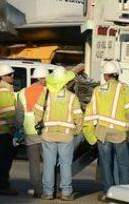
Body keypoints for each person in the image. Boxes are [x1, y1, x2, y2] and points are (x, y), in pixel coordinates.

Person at [83, 60, 129, 202]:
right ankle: (125, 195)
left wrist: (91, 137)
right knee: (123, 165)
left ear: (106, 76)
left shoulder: (97, 91)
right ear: (116, 74)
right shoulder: (124, 89)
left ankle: (108, 193)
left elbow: (89, 116)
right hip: (120, 134)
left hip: (103, 135)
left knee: (106, 165)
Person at [34, 66, 83, 202]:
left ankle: (48, 193)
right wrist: (78, 130)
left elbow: (37, 113)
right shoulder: (72, 97)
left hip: (48, 135)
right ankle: (66, 192)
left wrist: (39, 125)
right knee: (65, 164)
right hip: (66, 136)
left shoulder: (45, 94)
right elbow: (78, 117)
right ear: (65, 82)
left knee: (49, 164)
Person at [15, 64, 49, 198]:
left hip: (29, 132)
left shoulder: (23, 92)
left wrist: (17, 129)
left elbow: (19, 114)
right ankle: (49, 188)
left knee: (34, 163)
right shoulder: (49, 91)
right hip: (45, 131)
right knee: (49, 162)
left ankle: (37, 189)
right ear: (43, 78)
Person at [0, 64, 19, 196]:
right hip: (5, 130)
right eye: (9, 74)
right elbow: (8, 112)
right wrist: (15, 125)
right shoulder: (3, 90)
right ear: (2, 76)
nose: (12, 76)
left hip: (4, 129)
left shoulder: (6, 89)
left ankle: (0, 185)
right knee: (4, 160)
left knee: (3, 159)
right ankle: (1, 185)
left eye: (12, 73)